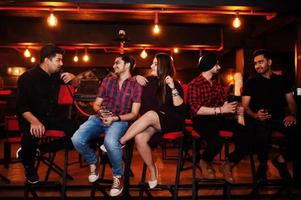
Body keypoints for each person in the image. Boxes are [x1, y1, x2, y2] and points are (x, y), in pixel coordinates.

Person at [71, 54, 142, 197]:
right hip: (99, 118)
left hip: (119, 120)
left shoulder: (136, 86)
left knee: (109, 142)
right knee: (76, 139)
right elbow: (96, 105)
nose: (114, 65)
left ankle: (118, 176)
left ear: (127, 65)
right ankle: (93, 160)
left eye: (117, 63)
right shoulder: (107, 81)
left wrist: (114, 118)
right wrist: (103, 114)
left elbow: (134, 114)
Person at [120, 53, 186, 189]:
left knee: (150, 114)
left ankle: (120, 141)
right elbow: (124, 84)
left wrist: (172, 87)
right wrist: (135, 78)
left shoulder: (175, 84)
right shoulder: (147, 81)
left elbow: (180, 108)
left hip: (172, 121)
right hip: (153, 123)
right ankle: (153, 170)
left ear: (163, 66)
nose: (151, 66)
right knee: (139, 138)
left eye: (155, 64)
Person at [16, 44, 78, 184]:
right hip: (31, 117)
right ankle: (29, 166)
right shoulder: (27, 77)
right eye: (58, 60)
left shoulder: (57, 75)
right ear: (46, 60)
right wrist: (34, 121)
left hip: (51, 117)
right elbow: (21, 106)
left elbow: (75, 84)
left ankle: (40, 150)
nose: (61, 63)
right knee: (32, 132)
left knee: (78, 132)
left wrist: (73, 77)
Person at [188, 52, 252, 183]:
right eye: (216, 63)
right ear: (209, 65)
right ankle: (204, 161)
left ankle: (228, 164)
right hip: (201, 120)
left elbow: (223, 104)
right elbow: (196, 109)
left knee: (247, 134)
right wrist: (221, 109)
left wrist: (234, 108)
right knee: (216, 142)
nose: (219, 66)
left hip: (218, 118)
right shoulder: (195, 84)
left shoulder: (216, 85)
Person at [242, 49, 301, 182]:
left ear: (269, 62)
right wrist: (255, 115)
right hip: (259, 119)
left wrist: (292, 115)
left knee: (298, 130)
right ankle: (262, 166)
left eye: (261, 62)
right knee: (262, 131)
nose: (258, 65)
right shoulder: (251, 82)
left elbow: (291, 101)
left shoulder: (282, 80)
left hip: (279, 118)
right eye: (255, 63)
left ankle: (281, 160)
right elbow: (245, 106)